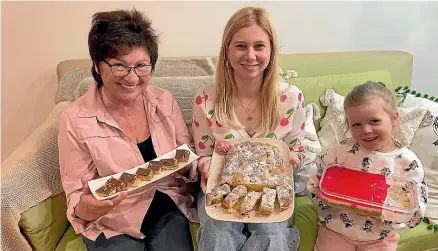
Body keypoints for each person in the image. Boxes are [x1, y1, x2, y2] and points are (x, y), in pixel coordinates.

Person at [58, 9, 198, 251]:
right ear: (98, 66)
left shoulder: (163, 101)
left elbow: (187, 154)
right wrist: (87, 208)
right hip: (112, 220)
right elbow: (75, 197)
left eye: (141, 66)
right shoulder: (75, 119)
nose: (132, 78)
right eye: (119, 66)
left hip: (167, 205)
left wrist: (190, 164)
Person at [192, 6, 312, 251]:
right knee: (217, 234)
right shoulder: (205, 99)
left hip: (271, 188)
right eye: (240, 46)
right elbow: (204, 154)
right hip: (221, 187)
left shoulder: (291, 98)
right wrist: (205, 167)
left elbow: (297, 151)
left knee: (272, 236)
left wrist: (289, 158)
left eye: (259, 46)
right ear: (227, 50)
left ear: (271, 50)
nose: (250, 55)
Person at [306, 81, 428, 251]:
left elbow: (415, 209)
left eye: (374, 121)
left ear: (394, 118)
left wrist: (389, 216)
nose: (366, 130)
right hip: (335, 230)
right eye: (356, 124)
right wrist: (316, 187)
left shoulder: (407, 163)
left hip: (380, 238)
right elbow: (318, 180)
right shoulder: (340, 152)